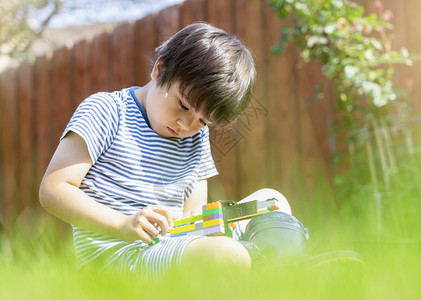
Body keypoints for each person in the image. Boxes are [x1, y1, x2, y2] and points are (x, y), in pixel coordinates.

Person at [39, 22, 308, 277]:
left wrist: (217, 225)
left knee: (273, 200)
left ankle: (274, 267)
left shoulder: (195, 137)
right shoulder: (107, 111)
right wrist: (122, 224)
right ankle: (278, 271)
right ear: (159, 70)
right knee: (227, 255)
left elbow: (192, 216)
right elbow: (54, 189)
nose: (186, 125)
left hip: (175, 245)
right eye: (183, 105)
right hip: (120, 257)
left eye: (203, 121)